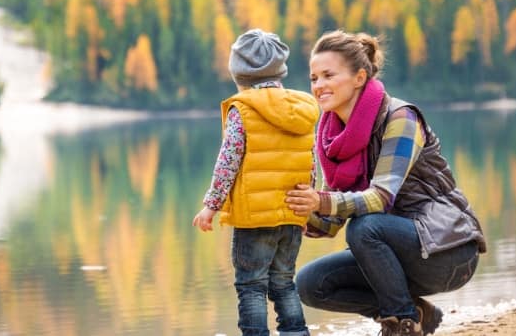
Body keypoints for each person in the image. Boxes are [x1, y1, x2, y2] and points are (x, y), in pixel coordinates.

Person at [284, 29, 487, 336]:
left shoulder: (401, 118)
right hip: (394, 252)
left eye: (328, 75)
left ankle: (402, 324)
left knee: (364, 227)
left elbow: (380, 199)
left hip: (449, 250)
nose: (319, 86)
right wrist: (293, 211)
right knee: (310, 285)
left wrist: (321, 200)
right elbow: (330, 222)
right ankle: (413, 312)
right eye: (314, 78)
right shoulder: (330, 137)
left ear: (359, 77)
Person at [192, 28, 320, 336]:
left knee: (251, 285)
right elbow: (310, 161)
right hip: (291, 214)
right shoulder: (302, 108)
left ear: (239, 73)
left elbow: (228, 161)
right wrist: (306, 210)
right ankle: (296, 333)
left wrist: (211, 205)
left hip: (254, 220)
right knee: (283, 282)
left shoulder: (243, 110)